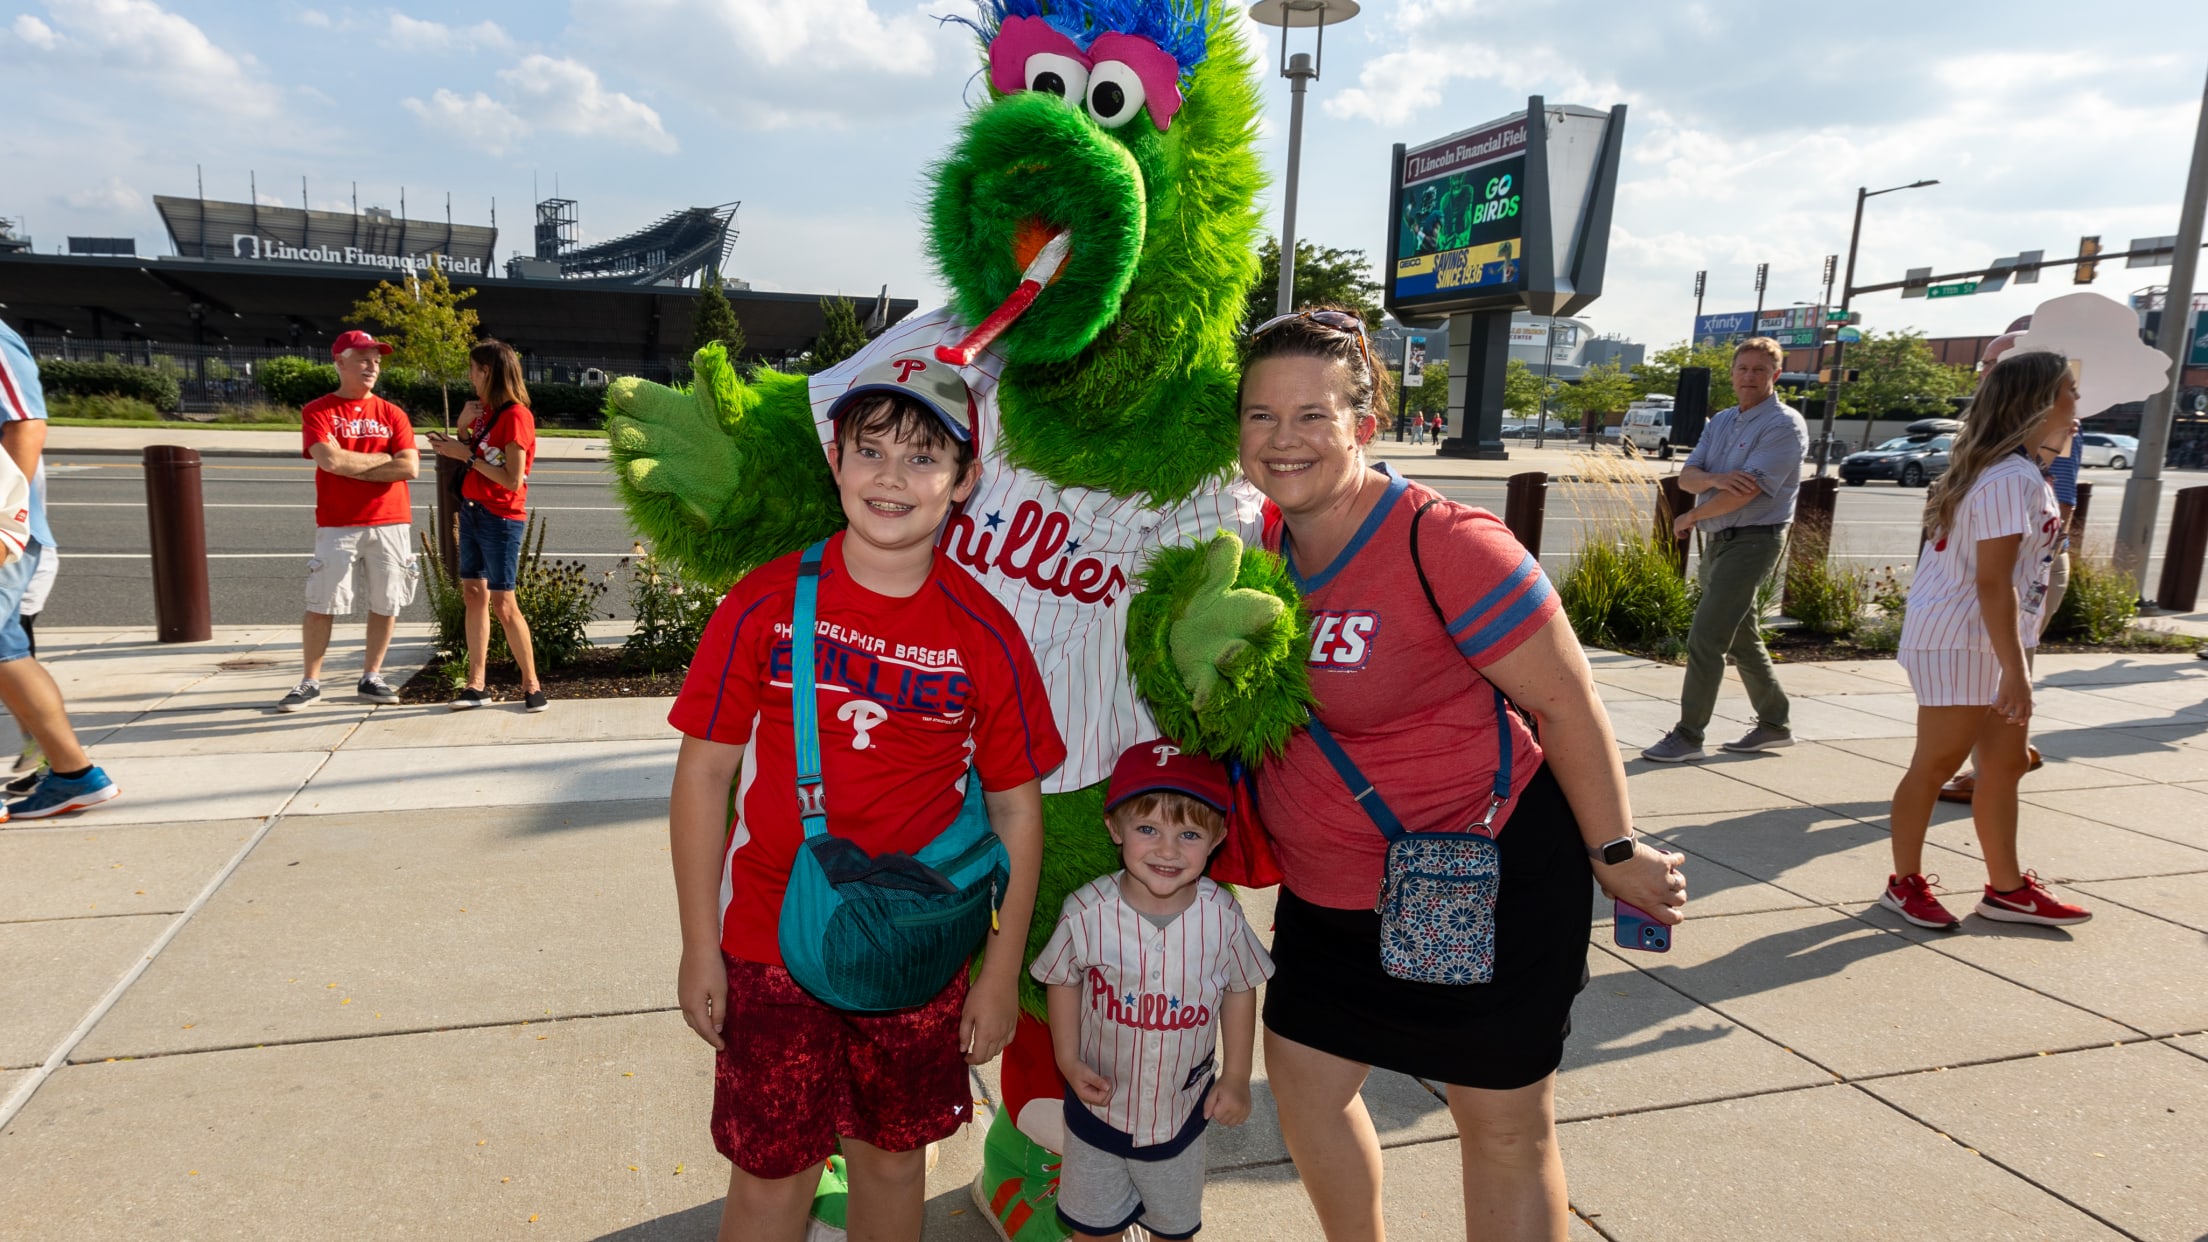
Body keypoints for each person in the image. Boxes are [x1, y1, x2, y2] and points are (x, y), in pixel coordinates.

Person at [1236, 308, 1685, 1239]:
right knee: (1308, 1093)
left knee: (1505, 1129)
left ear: (1363, 425)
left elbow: (1568, 704)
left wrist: (1614, 849)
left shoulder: (1443, 542)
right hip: (1328, 898)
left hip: (1476, 883)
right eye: (1260, 416)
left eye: (1312, 416)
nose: (1284, 440)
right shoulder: (1257, 555)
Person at [665, 350, 1062, 1242]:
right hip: (771, 941)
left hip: (918, 951)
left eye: (925, 458)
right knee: (773, 1175)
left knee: (891, 1161)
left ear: (963, 482)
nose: (893, 477)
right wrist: (700, 945)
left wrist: (999, 976)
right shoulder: (766, 602)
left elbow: (1017, 811)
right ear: (835, 460)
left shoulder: (986, 632)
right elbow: (705, 774)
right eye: (871, 449)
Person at [1882, 350, 2092, 930]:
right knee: (1937, 763)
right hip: (1958, 638)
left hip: (1992, 638)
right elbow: (1992, 581)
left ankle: (2006, 889)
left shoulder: (2023, 472)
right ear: (2040, 402)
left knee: (2003, 765)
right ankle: (1903, 884)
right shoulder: (2007, 478)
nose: (2079, 407)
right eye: (2071, 392)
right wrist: (2017, 670)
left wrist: (2017, 658)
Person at [1032, 739, 1272, 1242]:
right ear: (1114, 827)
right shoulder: (1086, 911)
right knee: (1091, 1230)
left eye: (1188, 833)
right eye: (1147, 829)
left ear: (1218, 836)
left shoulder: (1222, 917)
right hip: (1098, 1112)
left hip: (1179, 1115)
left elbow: (1239, 988)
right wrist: (1069, 1062)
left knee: (1173, 1229)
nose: (1167, 850)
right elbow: (1062, 979)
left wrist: (1238, 1074)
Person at [1641, 336, 1808, 763]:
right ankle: (1775, 723)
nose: (1749, 376)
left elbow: (1745, 492)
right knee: (1742, 637)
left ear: (1776, 375)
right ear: (1732, 374)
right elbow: (1687, 477)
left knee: (1706, 637)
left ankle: (1689, 735)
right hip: (1719, 540)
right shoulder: (1721, 422)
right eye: (1743, 368)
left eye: (1759, 370)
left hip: (1754, 539)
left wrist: (1691, 515)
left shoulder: (1783, 425)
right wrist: (1716, 479)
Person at [0, 319, 119, 819]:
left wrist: (5, 522)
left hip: (6, 525)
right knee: (7, 651)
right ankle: (74, 773)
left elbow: (26, 422)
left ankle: (75, 774)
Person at [1939, 331, 2064, 802]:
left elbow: (2056, 493)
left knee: (2008, 673)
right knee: (1995, 687)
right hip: (1993, 571)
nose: (1986, 370)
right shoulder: (1984, 433)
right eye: (1986, 362)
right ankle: (1996, 765)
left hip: (2035, 561)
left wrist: (2049, 451)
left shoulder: (2049, 428)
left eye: (1998, 362)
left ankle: (1997, 767)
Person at [279, 330, 420, 712]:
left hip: (391, 521)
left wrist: (352, 464)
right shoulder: (319, 410)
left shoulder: (393, 413)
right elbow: (329, 460)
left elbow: (410, 466)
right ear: (340, 362)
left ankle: (371, 676)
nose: (372, 365)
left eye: (376, 359)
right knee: (323, 602)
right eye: (363, 358)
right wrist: (380, 459)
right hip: (339, 522)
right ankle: (310, 681)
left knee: (387, 601)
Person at [427, 339, 546, 712]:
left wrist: (466, 453)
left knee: (504, 603)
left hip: (500, 517)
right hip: (474, 511)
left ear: (488, 372)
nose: (469, 376)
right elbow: (477, 454)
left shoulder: (515, 417)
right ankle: (476, 685)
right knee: (473, 595)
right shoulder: (484, 413)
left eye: (473, 368)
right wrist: (461, 434)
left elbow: (513, 479)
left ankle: (532, 685)